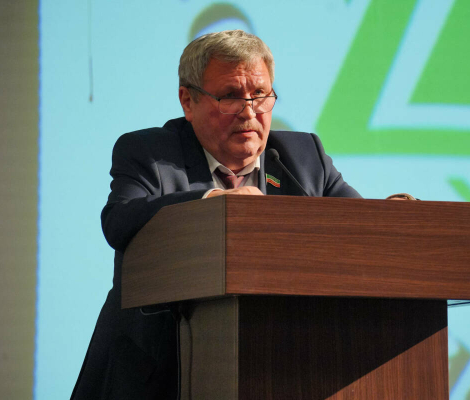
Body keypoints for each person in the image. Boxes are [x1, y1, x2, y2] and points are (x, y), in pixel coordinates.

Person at [71, 30, 362, 400]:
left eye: (260, 94)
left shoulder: (303, 157)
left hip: (285, 368)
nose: (249, 112)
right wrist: (213, 201)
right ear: (188, 101)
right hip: (158, 372)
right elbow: (120, 220)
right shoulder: (150, 154)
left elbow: (358, 226)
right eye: (230, 96)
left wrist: (398, 213)